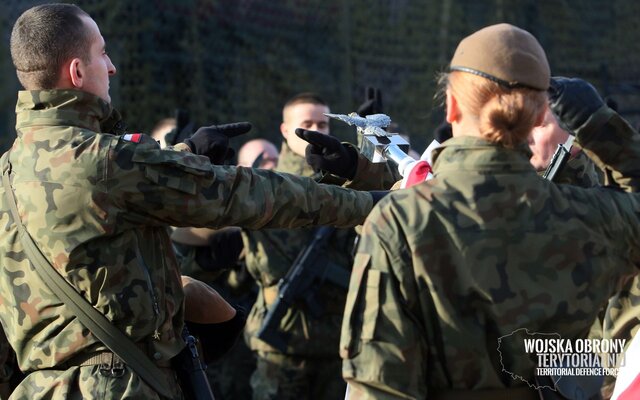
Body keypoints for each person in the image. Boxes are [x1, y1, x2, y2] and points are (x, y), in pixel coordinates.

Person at [1, 4, 380, 399]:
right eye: (102, 53)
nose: (111, 67)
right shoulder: (108, 160)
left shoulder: (6, 174)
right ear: (77, 72)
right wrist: (371, 202)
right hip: (120, 386)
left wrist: (182, 154)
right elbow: (249, 194)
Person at [338, 23, 640, 399]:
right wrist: (599, 125)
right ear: (539, 115)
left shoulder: (400, 220)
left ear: (451, 107)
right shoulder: (596, 217)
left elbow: (378, 382)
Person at [241, 93, 357, 400]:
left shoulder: (345, 182)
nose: (317, 131)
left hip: (336, 343)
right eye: (307, 124)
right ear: (285, 130)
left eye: (323, 124)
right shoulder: (264, 184)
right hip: (283, 345)